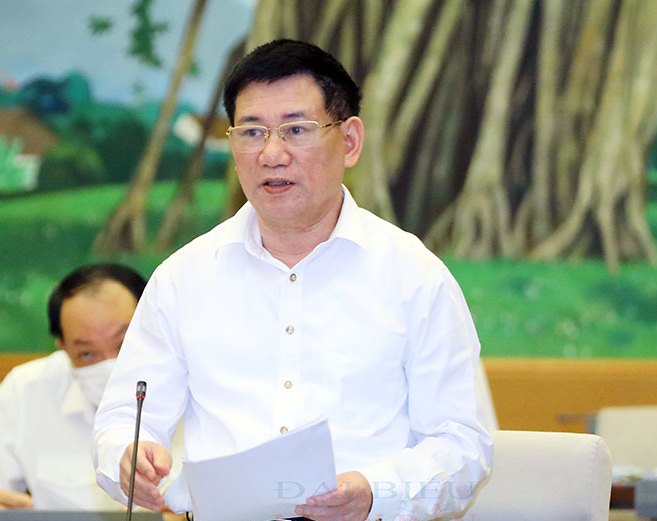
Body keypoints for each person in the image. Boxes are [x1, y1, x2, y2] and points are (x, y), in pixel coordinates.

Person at [93, 39, 493, 521]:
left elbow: (463, 444)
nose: (271, 154)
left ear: (350, 141)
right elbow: (122, 419)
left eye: (296, 130)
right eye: (251, 132)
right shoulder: (183, 277)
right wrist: (128, 455)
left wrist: (373, 492)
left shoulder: (414, 275)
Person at [0, 263, 183, 521]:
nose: (110, 365)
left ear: (154, 327)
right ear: (63, 347)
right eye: (87, 353)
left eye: (124, 344)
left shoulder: (197, 383)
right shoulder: (27, 389)